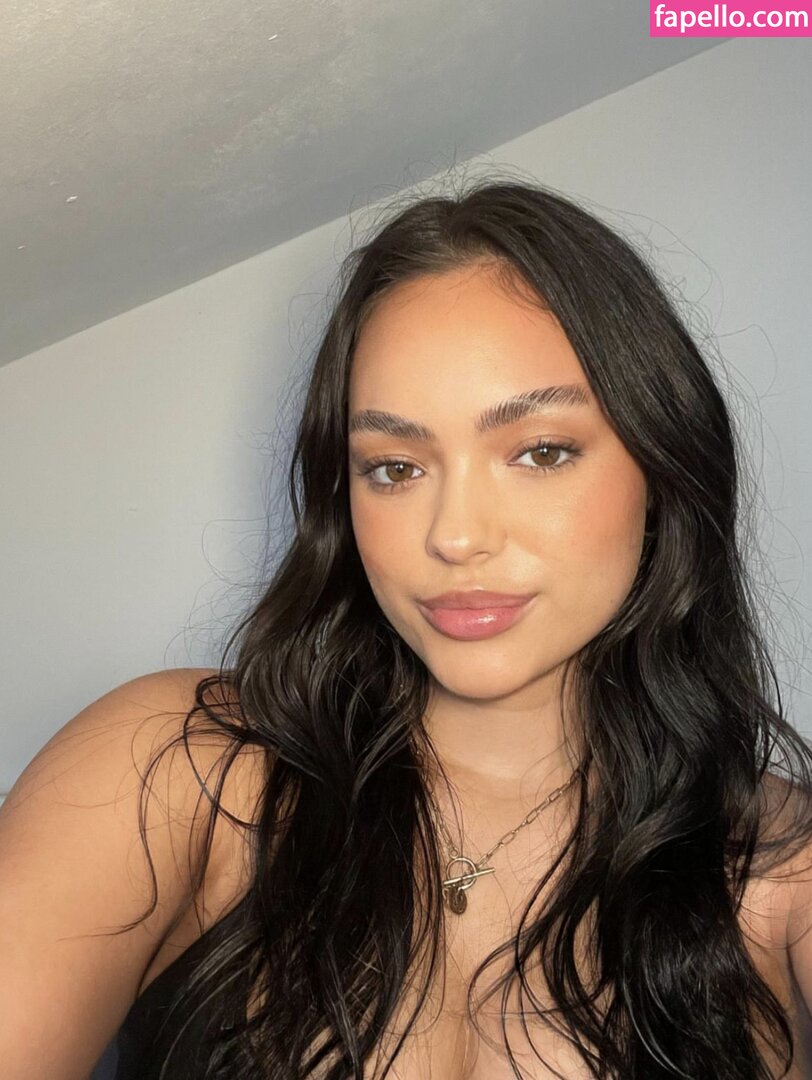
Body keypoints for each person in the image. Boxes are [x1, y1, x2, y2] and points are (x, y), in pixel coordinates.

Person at [3, 176, 812, 1080]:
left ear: (662, 467)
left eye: (541, 451)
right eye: (394, 467)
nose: (454, 537)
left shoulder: (783, 875)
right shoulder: (179, 772)